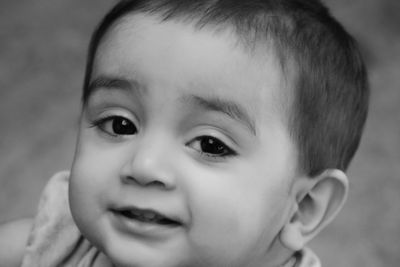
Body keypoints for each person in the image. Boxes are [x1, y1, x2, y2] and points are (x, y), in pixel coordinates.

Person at [0, 0, 369, 266]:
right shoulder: (60, 242)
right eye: (120, 124)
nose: (143, 166)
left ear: (302, 207)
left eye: (211, 145)